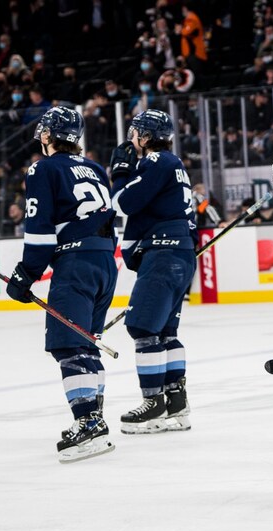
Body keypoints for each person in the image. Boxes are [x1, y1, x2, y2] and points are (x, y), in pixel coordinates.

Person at [4, 106, 117, 463]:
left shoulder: (43, 167)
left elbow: (38, 229)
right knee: (87, 344)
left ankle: (89, 424)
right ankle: (95, 416)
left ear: (49, 135)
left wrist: (26, 274)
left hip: (76, 264)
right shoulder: (96, 168)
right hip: (104, 263)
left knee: (70, 346)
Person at [109, 109, 196, 434]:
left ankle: (153, 405)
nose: (132, 140)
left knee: (143, 328)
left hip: (163, 254)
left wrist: (119, 172)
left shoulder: (158, 161)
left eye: (135, 134)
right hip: (179, 253)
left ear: (144, 137)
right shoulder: (174, 165)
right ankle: (177, 404)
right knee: (164, 333)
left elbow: (122, 203)